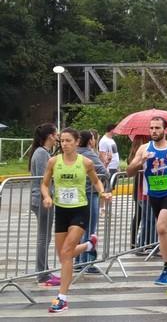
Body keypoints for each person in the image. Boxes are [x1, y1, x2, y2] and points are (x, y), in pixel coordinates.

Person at [40, 128, 111, 313]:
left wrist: (102, 192)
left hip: (80, 210)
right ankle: (88, 246)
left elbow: (96, 181)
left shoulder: (85, 162)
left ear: (76, 142)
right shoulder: (53, 162)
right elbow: (45, 184)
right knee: (64, 255)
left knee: (66, 252)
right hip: (61, 211)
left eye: (68, 141)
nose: (64, 144)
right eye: (62, 141)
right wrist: (47, 197)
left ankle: (62, 298)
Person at [126, 117, 167, 285]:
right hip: (153, 195)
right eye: (151, 128)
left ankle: (166, 269)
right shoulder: (144, 148)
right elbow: (129, 172)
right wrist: (140, 162)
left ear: (165, 129)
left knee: (161, 228)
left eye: (157, 128)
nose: (154, 131)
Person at [29, 123, 61, 286]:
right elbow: (44, 179)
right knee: (44, 237)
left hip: (43, 198)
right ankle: (42, 274)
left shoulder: (43, 152)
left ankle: (44, 270)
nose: (58, 136)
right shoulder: (41, 153)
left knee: (45, 237)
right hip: (43, 199)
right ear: (50, 136)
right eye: (56, 133)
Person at [75, 131, 109, 273]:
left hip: (76, 195)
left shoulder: (73, 153)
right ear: (90, 141)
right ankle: (87, 262)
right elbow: (104, 172)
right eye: (94, 138)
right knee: (89, 229)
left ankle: (77, 260)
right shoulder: (89, 154)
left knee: (77, 229)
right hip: (89, 193)